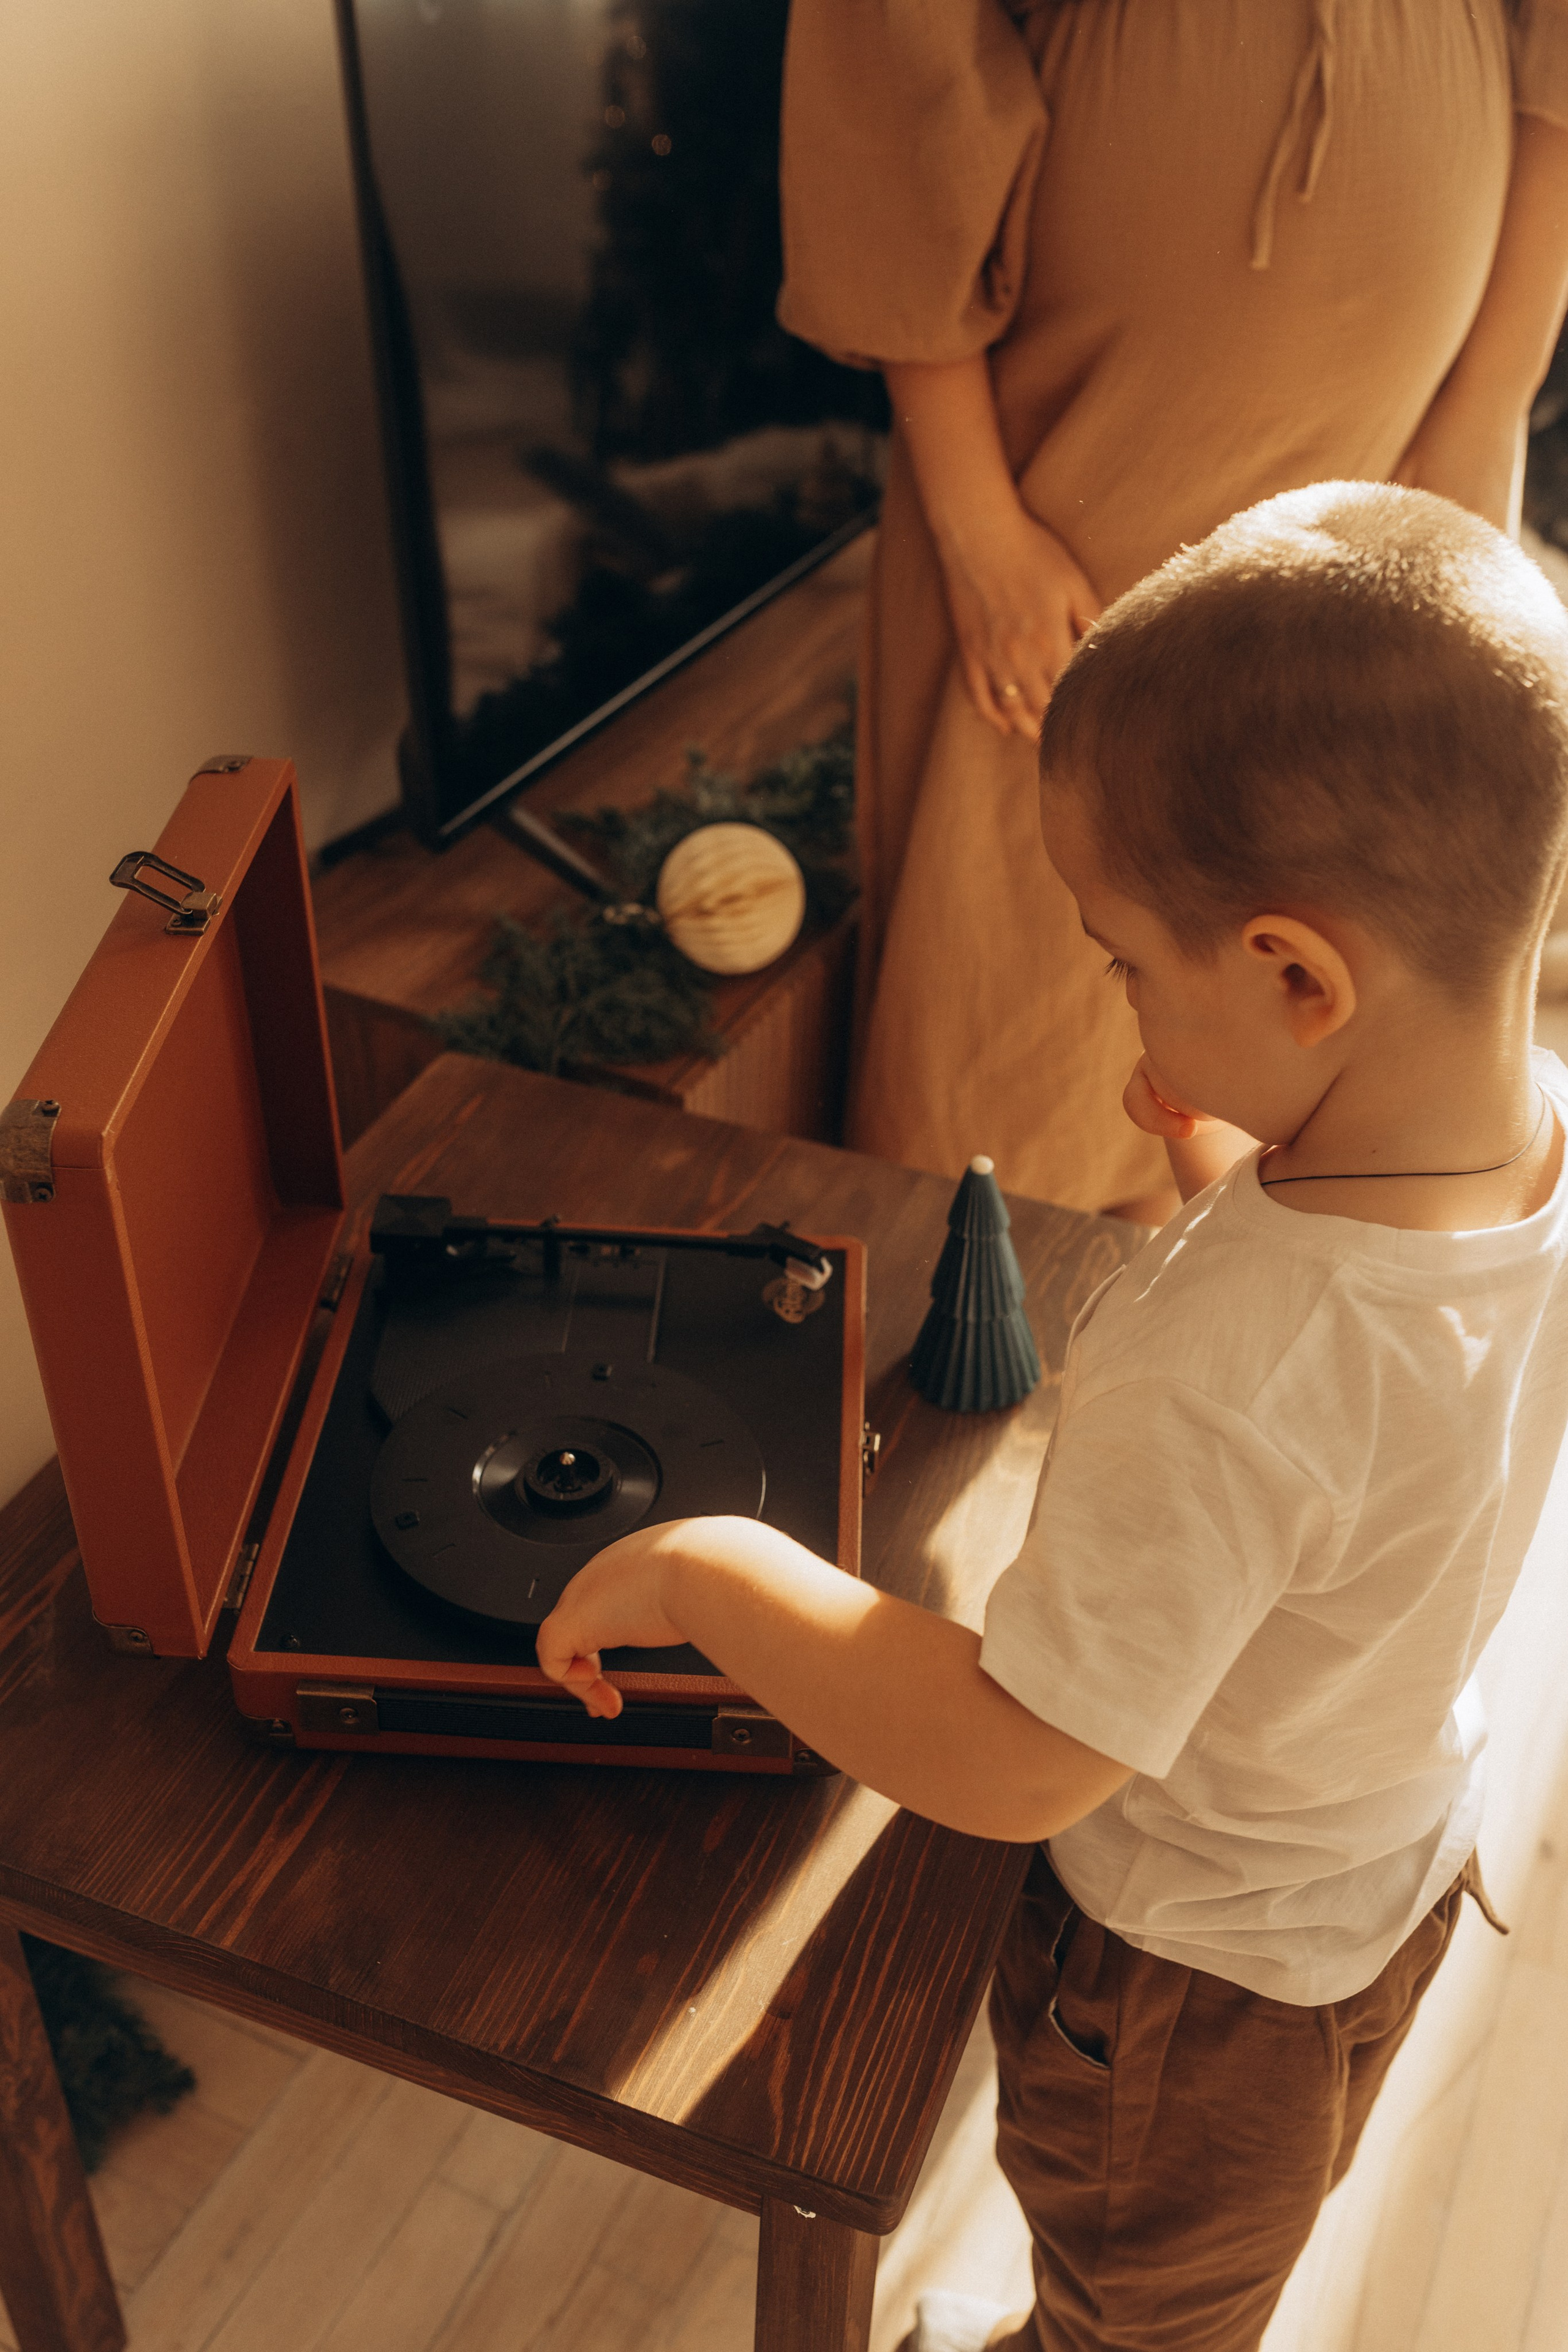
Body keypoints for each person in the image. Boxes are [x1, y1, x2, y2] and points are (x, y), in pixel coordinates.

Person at [534, 483, 1568, 2350]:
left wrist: (716, 1572)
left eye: (1123, 961)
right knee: (1183, 2284)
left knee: (1135, 2306)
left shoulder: (1238, 1367)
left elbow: (1021, 1760)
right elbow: (1389, 1418)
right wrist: (1237, 1163)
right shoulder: (1531, 1131)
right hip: (1379, 1876)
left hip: (1180, 1994)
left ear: (1294, 974)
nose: (1117, 1004)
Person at [775, 0, 1568, 1219]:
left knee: (1319, 892)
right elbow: (891, 47)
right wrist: (975, 522)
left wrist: (1489, 397)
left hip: (1402, 417)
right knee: (1043, 894)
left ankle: (1235, 1272)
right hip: (1080, 441)